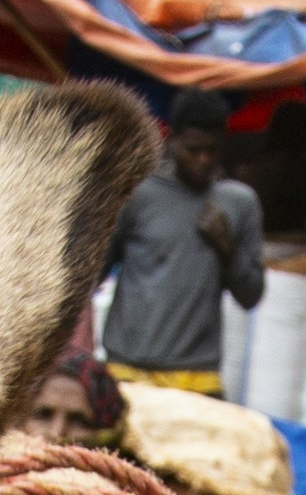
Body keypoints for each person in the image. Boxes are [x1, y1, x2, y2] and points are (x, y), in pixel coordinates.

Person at [106, 95, 264, 393]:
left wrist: (226, 246)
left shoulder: (239, 204)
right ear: (172, 140)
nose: (203, 160)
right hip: (127, 371)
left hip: (197, 378)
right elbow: (96, 271)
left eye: (212, 150)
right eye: (193, 149)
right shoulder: (138, 195)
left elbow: (251, 296)